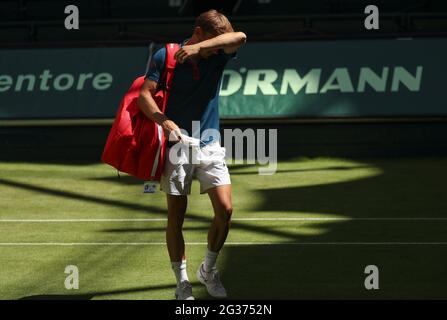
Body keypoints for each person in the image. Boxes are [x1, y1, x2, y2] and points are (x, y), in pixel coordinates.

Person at [137, 9, 246, 300]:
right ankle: (182, 282)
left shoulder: (216, 54)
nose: (216, 48)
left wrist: (201, 47)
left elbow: (241, 37)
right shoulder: (166, 56)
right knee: (176, 216)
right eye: (212, 41)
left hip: (210, 143)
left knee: (225, 210)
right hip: (176, 144)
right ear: (197, 31)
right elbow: (144, 95)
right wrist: (163, 120)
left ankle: (208, 271)